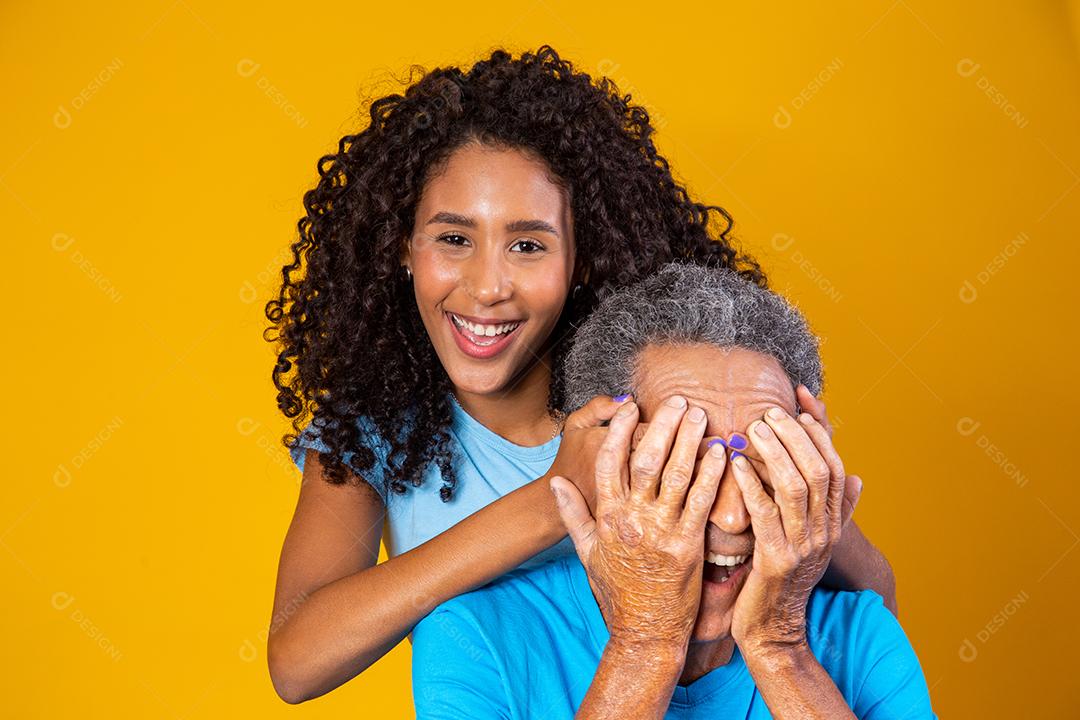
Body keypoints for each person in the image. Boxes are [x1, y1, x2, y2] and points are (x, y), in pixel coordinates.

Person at [264, 46, 895, 704]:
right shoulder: (376, 438)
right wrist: (554, 499)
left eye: (528, 245)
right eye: (454, 239)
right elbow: (297, 661)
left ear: (583, 259)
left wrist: (804, 484)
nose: (486, 288)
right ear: (402, 245)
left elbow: (868, 610)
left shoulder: (658, 402)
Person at [411, 262, 934, 719]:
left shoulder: (861, 637)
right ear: (601, 466)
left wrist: (781, 650)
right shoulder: (475, 640)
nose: (732, 518)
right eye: (678, 465)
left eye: (763, 465)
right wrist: (646, 643)